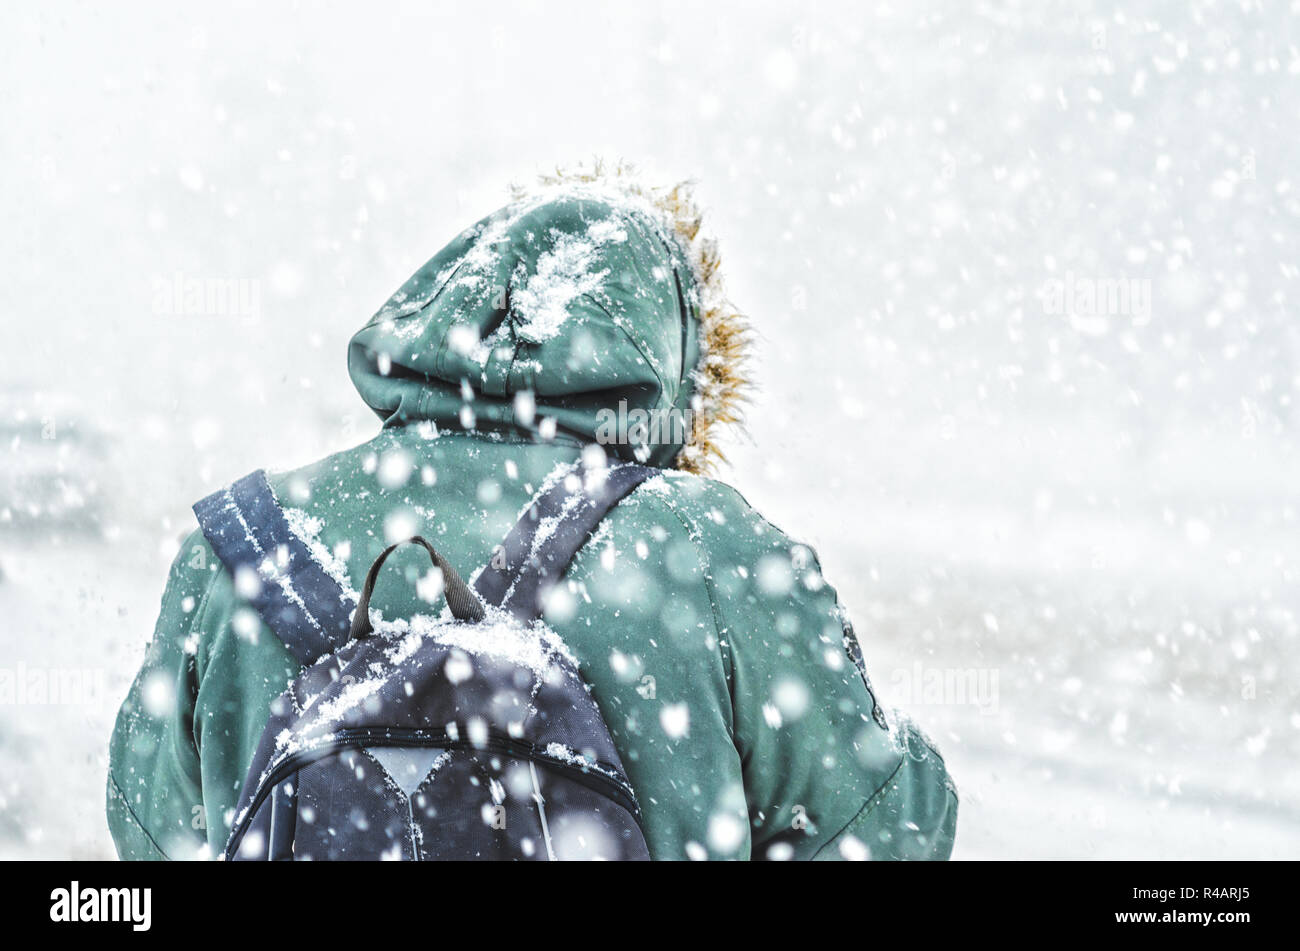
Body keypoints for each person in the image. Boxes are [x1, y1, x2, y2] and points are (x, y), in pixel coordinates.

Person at [107, 164, 957, 861]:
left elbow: (149, 836)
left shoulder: (238, 547)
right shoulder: (711, 548)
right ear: (676, 367)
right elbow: (890, 833)